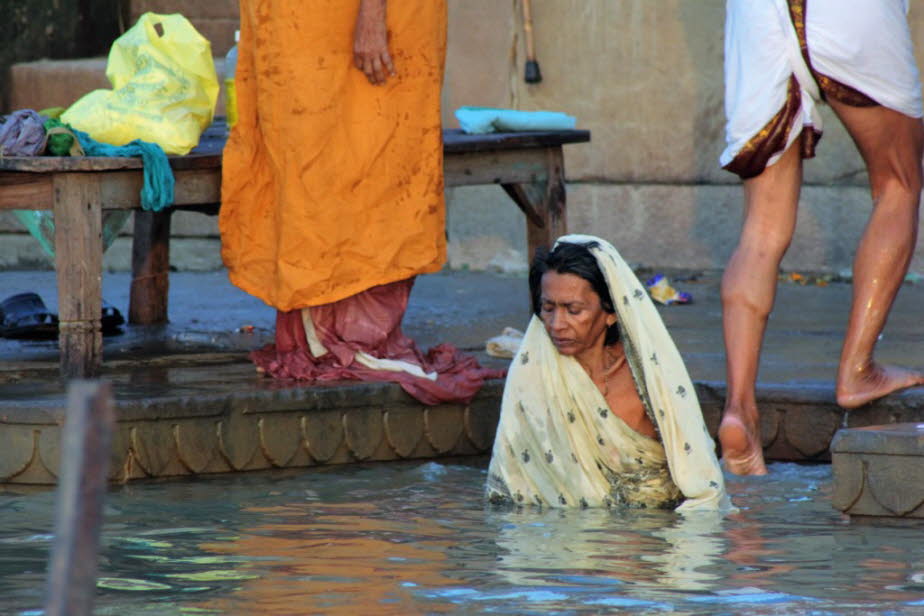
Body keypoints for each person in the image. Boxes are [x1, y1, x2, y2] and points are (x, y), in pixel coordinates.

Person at [219, 0, 502, 404]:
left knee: (373, 169)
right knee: (302, 168)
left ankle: (354, 338)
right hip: (297, 28)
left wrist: (372, 15)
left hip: (359, 20)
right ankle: (318, 335)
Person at [719, 0, 924, 475]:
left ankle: (739, 409)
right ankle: (857, 370)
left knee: (761, 229)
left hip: (756, 15)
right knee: (899, 183)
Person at [486, 235, 732, 512]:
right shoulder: (533, 372)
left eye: (573, 310)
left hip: (650, 538)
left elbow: (700, 484)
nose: (557, 324)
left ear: (611, 312)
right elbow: (511, 490)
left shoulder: (649, 378)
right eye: (548, 308)